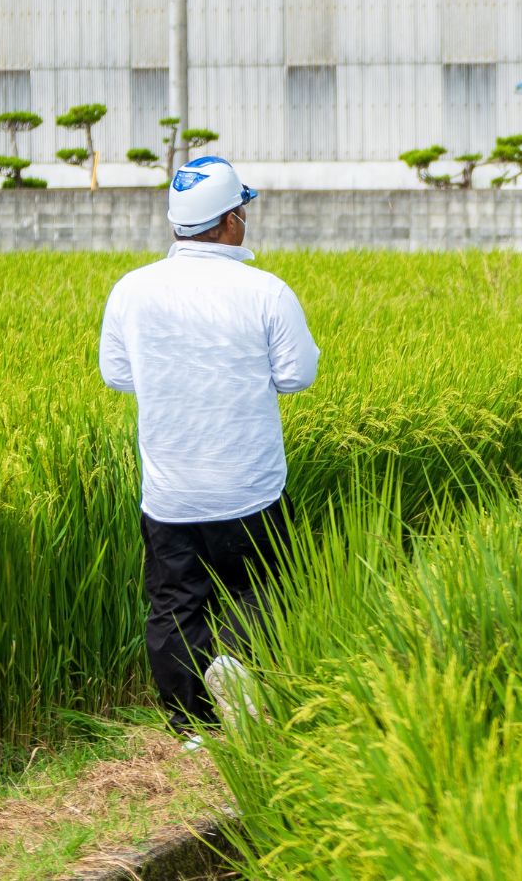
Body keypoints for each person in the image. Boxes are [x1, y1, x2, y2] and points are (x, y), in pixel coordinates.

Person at [98, 155, 319, 739]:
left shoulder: (132, 290)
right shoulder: (265, 291)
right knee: (267, 584)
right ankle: (242, 671)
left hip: (170, 493)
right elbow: (297, 374)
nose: (245, 219)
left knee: (175, 604)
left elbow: (117, 373)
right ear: (226, 222)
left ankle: (190, 726)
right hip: (248, 485)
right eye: (241, 210)